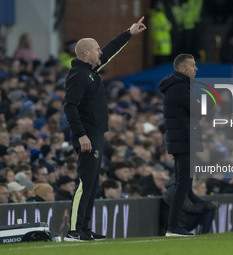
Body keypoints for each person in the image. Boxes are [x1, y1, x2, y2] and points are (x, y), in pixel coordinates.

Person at [63, 17, 146, 242]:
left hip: (95, 134)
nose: (100, 52)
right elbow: (69, 106)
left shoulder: (90, 71)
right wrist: (81, 134)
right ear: (86, 53)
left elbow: (110, 51)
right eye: (96, 49)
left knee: (92, 184)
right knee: (84, 183)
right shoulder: (79, 75)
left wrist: (128, 33)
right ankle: (73, 231)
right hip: (87, 136)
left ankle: (84, 229)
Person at [159, 53, 202, 236]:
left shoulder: (180, 85)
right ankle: (174, 226)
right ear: (183, 69)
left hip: (183, 138)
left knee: (185, 181)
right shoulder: (178, 86)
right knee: (183, 181)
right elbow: (198, 110)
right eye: (193, 65)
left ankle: (175, 225)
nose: (196, 68)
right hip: (183, 139)